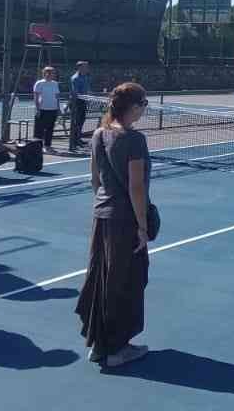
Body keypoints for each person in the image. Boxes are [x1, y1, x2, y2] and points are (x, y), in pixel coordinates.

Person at [76, 83, 153, 369]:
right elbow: (136, 187)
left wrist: (104, 204)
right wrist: (142, 226)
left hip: (102, 217)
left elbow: (94, 180)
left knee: (101, 279)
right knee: (125, 283)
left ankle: (100, 343)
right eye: (143, 104)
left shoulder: (99, 133)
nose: (144, 110)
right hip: (124, 221)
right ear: (133, 107)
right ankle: (116, 349)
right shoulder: (134, 140)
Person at [32, 66, 61, 151]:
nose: (53, 75)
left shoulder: (55, 83)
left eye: (53, 73)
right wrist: (37, 109)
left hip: (53, 109)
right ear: (45, 73)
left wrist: (58, 108)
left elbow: (57, 97)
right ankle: (37, 147)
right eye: (51, 73)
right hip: (42, 109)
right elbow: (36, 98)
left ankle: (47, 146)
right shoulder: (39, 83)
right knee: (39, 129)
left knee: (50, 128)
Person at [68, 61, 92, 152]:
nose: (87, 68)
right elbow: (75, 92)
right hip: (76, 102)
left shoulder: (86, 77)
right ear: (80, 68)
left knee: (81, 121)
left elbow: (87, 89)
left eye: (87, 67)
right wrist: (84, 96)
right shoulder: (75, 78)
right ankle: (74, 141)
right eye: (85, 67)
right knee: (76, 122)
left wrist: (89, 97)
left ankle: (78, 139)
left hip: (83, 101)